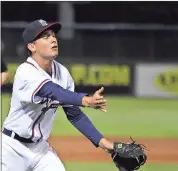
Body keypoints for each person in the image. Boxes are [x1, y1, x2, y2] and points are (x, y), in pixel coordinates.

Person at [1, 19, 114, 171]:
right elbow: (51, 91)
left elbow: (75, 115)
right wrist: (85, 100)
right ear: (32, 46)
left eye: (53, 35)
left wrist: (104, 143)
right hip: (12, 149)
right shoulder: (25, 71)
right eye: (46, 36)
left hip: (41, 149)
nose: (53, 39)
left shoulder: (62, 73)